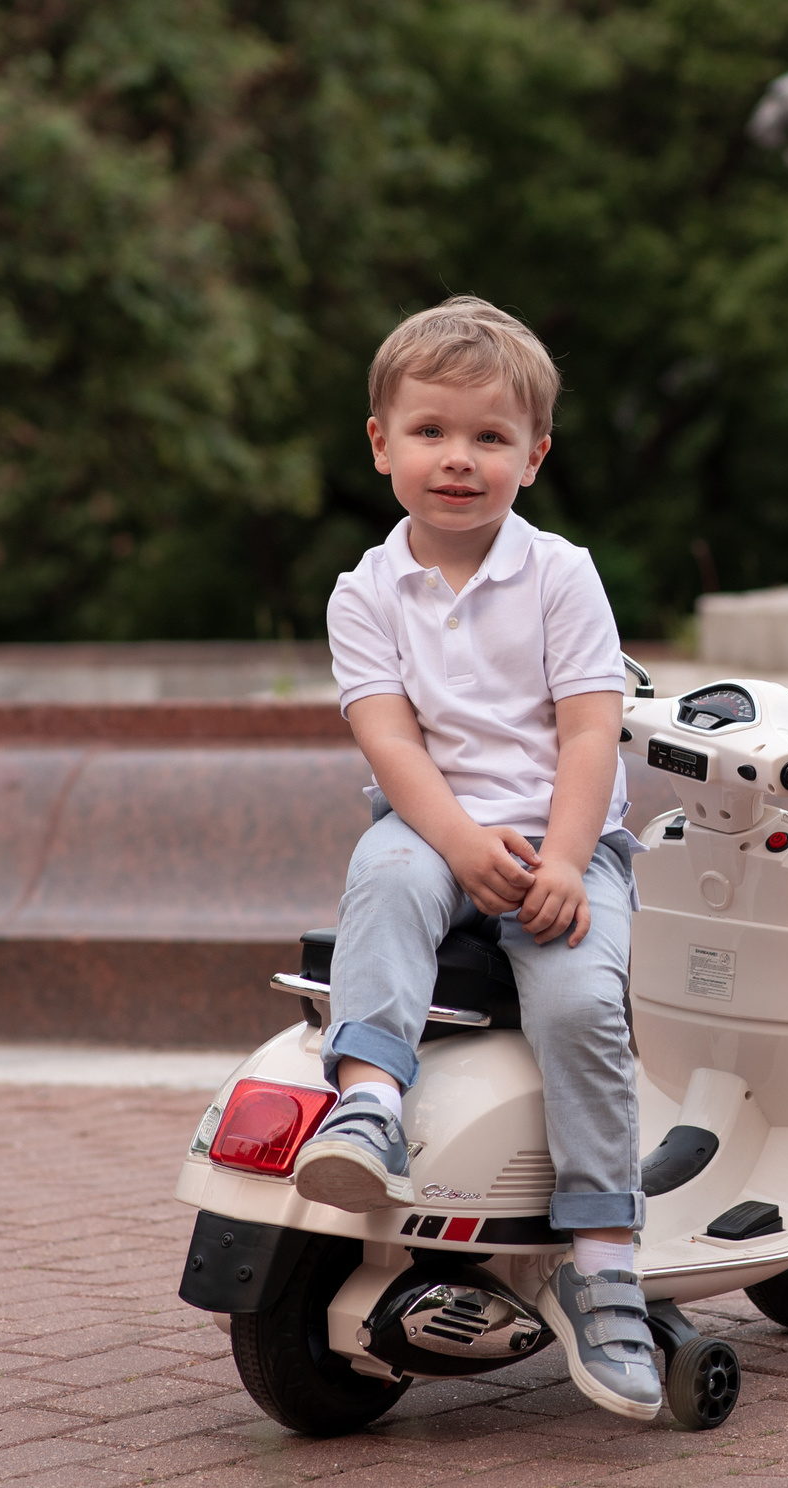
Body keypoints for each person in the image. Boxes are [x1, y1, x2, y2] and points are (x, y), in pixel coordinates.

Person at [294, 296, 658, 1421]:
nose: (459, 458)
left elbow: (590, 731)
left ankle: (604, 1261)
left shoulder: (560, 575)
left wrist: (564, 863)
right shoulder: (364, 594)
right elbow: (390, 742)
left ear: (533, 457)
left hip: (563, 842)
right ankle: (367, 1103)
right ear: (381, 444)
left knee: (583, 1007)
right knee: (386, 876)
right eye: (431, 432)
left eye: (490, 437)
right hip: (431, 827)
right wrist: (455, 841)